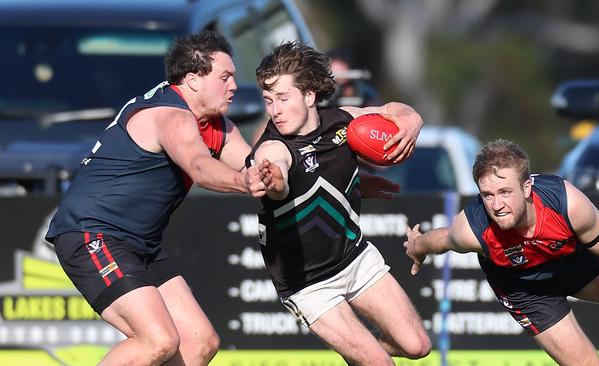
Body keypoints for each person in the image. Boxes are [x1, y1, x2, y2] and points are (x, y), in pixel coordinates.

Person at [45, 31, 267, 365]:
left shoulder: (216, 125)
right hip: (92, 233)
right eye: (225, 77)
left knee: (199, 341)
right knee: (157, 340)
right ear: (192, 80)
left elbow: (256, 167)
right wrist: (245, 182)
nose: (234, 86)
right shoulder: (170, 116)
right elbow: (201, 167)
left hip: (139, 242)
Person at [248, 41, 431, 366]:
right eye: (268, 100)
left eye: (282, 98)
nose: (274, 110)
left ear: (309, 95)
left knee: (417, 346)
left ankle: (365, 355)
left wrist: (412, 120)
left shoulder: (343, 122)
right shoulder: (273, 148)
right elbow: (278, 178)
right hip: (308, 284)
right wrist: (273, 181)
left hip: (355, 257)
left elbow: (395, 111)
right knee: (379, 364)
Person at [403, 139, 599, 366]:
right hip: (527, 291)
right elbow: (443, 239)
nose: (497, 206)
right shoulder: (473, 229)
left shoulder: (568, 204)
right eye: (487, 195)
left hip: (573, 264)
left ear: (527, 187)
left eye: (505, 192)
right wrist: (417, 246)